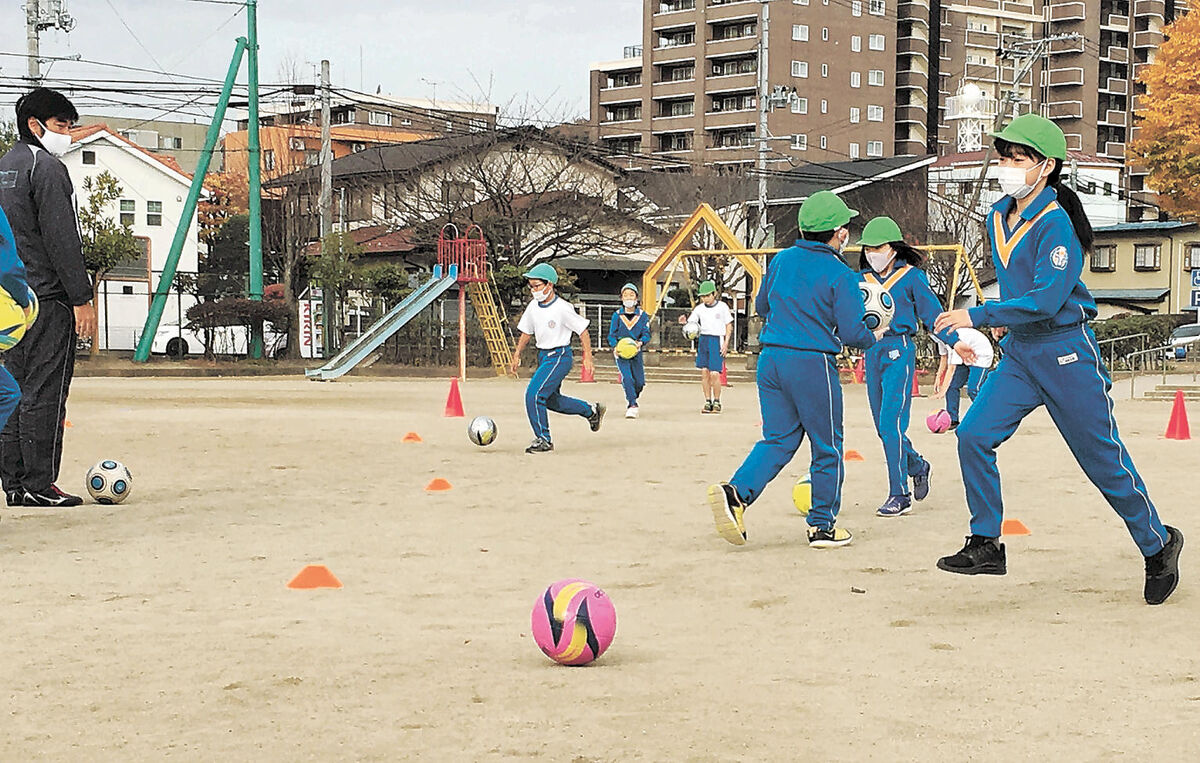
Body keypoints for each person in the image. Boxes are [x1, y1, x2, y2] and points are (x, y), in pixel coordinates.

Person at [932, 113, 1182, 605]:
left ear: (1045, 166)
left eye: (1018, 158)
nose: (1007, 166)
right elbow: (1018, 286)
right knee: (974, 435)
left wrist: (979, 315)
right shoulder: (997, 216)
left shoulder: (1056, 225)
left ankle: (1158, 544)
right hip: (1022, 354)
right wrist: (1002, 318)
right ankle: (987, 542)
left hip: (1067, 351)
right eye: (1004, 157)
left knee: (1102, 463)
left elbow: (1047, 299)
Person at [707, 191, 879, 549]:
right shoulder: (840, 273)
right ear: (837, 233)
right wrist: (874, 333)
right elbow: (852, 334)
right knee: (828, 445)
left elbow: (762, 305)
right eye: (844, 227)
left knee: (779, 438)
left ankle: (736, 493)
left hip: (771, 359)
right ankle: (822, 526)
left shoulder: (781, 261)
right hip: (812, 362)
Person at [0, 88, 95, 508]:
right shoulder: (48, 169)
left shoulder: (5, 166)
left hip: (10, 301)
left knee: (15, 390)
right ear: (35, 125)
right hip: (47, 298)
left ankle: (15, 484)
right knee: (47, 390)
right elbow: (62, 239)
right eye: (61, 125)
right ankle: (40, 483)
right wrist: (81, 297)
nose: (68, 134)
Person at [856, 216, 977, 517]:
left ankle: (899, 494)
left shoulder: (912, 277)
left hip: (899, 349)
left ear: (894, 249)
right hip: (872, 351)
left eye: (879, 247)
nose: (873, 253)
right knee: (884, 430)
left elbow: (932, 314)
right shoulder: (860, 279)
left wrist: (954, 340)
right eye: (868, 248)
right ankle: (917, 465)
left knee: (891, 424)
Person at [509, 263, 605, 453]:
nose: (534, 290)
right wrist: (517, 354)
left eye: (537, 286)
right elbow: (526, 332)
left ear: (549, 285)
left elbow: (583, 331)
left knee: (534, 395)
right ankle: (591, 411)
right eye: (531, 286)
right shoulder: (533, 307)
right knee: (551, 400)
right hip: (544, 356)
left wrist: (588, 358)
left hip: (560, 355)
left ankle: (544, 439)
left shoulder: (563, 308)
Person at [932, 326, 995, 430]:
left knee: (974, 389)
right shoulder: (941, 340)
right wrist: (938, 378)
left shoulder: (952, 339)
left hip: (981, 355)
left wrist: (942, 391)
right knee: (952, 386)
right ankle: (953, 419)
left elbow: (951, 369)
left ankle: (989, 418)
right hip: (964, 356)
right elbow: (944, 357)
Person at [684, 280, 733, 414]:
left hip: (717, 339)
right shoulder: (699, 309)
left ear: (714, 294)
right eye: (703, 296)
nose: (705, 299)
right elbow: (691, 322)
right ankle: (707, 400)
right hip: (704, 339)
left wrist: (726, 343)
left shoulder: (722, 307)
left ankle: (717, 401)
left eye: (707, 295)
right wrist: (687, 325)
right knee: (704, 372)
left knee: (715, 373)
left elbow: (729, 325)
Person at [607, 282, 650, 419]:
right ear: (621, 298)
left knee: (640, 382)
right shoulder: (617, 315)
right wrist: (615, 346)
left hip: (636, 352)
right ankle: (632, 405)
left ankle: (633, 396)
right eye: (625, 295)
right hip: (621, 353)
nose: (628, 298)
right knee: (627, 378)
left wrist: (640, 342)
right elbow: (611, 335)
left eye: (631, 295)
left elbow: (646, 333)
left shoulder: (642, 316)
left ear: (636, 298)